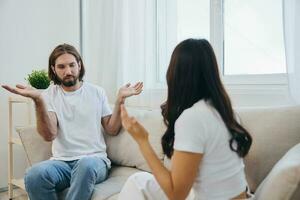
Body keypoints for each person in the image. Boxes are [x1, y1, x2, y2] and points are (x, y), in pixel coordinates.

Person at [2, 43, 143, 200]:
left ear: (79, 65)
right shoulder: (49, 95)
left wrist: (120, 99)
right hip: (61, 163)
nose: (68, 71)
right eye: (61, 67)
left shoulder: (97, 92)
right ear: (54, 69)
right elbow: (49, 135)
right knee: (34, 174)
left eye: (72, 65)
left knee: (85, 165)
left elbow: (112, 129)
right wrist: (38, 101)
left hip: (94, 161)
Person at [118, 39, 253, 200]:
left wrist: (142, 141)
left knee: (136, 183)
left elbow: (177, 195)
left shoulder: (193, 119)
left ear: (176, 74)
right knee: (138, 181)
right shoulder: (226, 112)